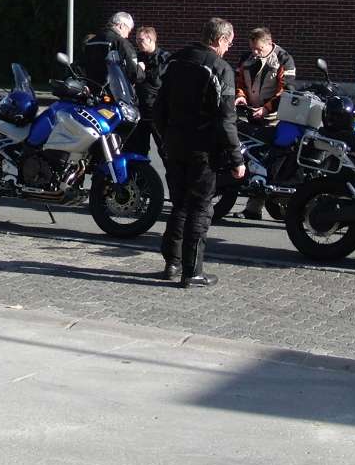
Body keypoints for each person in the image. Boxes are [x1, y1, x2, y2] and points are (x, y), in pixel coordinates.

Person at [153, 17, 245, 288]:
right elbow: (226, 119)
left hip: (175, 144)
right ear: (220, 39)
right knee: (200, 208)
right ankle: (192, 271)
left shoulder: (175, 60)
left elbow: (159, 107)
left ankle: (172, 263)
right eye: (229, 43)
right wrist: (236, 157)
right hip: (202, 148)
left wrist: (166, 137)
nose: (228, 48)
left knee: (179, 204)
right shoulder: (220, 68)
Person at [234, 27, 296, 220]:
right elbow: (238, 81)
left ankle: (262, 206)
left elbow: (286, 90)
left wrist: (267, 109)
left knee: (268, 160)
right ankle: (252, 208)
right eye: (252, 48)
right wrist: (240, 97)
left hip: (272, 117)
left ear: (269, 43)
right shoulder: (246, 58)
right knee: (249, 156)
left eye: (259, 49)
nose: (255, 52)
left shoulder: (284, 59)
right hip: (249, 112)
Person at [124, 25, 168, 158]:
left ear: (151, 39)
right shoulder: (137, 57)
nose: (138, 43)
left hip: (157, 111)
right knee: (138, 150)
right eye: (137, 40)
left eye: (141, 40)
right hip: (139, 110)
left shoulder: (164, 58)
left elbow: (158, 81)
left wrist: (142, 71)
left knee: (165, 150)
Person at [82, 12, 141, 88]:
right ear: (121, 25)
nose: (127, 36)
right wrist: (140, 69)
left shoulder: (91, 42)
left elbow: (84, 67)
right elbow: (134, 74)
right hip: (114, 91)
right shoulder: (121, 43)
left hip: (93, 90)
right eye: (128, 31)